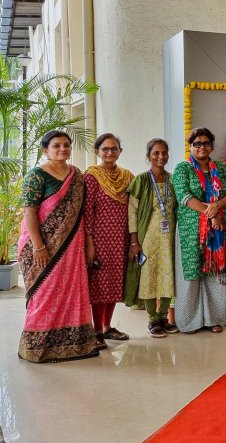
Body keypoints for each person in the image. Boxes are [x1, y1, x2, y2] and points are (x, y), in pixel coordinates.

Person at [17, 131, 99, 363]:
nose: (62, 149)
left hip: (72, 246)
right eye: (56, 146)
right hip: (40, 246)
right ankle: (37, 347)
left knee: (71, 292)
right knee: (43, 294)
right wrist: (39, 247)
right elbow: (29, 212)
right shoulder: (36, 175)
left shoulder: (77, 176)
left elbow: (82, 213)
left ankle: (76, 344)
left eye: (66, 145)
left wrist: (88, 244)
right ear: (45, 150)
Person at [173, 128, 226, 334]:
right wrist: (212, 213)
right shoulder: (183, 168)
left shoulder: (219, 167)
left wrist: (216, 206)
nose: (202, 147)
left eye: (206, 143)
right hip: (190, 229)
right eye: (197, 143)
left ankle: (214, 318)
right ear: (190, 146)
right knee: (190, 275)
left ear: (212, 146)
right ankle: (189, 321)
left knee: (215, 274)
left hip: (217, 231)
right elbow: (184, 196)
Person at [85, 133, 134, 349]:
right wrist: (89, 243)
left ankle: (107, 326)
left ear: (120, 151)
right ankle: (96, 330)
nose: (110, 153)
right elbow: (87, 212)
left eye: (114, 149)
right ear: (97, 151)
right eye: (105, 149)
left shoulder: (127, 176)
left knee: (114, 281)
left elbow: (134, 208)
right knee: (99, 284)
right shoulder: (91, 176)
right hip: (99, 238)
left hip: (121, 237)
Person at [128, 139, 178, 338]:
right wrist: (134, 241)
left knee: (168, 274)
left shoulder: (173, 179)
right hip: (147, 236)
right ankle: (152, 320)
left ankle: (164, 317)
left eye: (164, 153)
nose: (161, 157)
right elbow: (132, 212)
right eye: (156, 153)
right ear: (148, 156)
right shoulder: (141, 180)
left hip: (170, 237)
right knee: (149, 276)